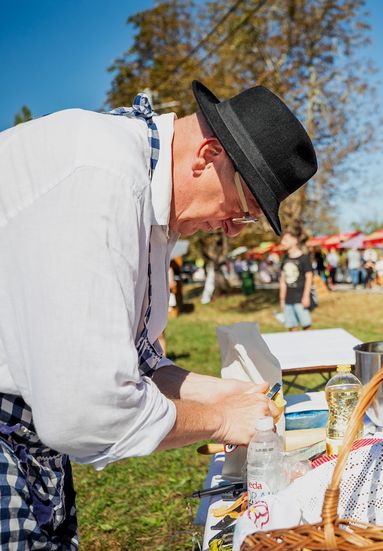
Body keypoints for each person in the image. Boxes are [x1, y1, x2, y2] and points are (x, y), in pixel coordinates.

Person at [0, 81, 317, 548]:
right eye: (243, 208)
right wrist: (222, 421)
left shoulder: (146, 198)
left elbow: (142, 361)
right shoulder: (102, 177)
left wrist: (227, 394)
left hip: (29, 445)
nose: (231, 229)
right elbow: (84, 412)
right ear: (208, 155)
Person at [278, 229, 314, 331]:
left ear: (295, 240)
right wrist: (282, 300)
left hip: (300, 298)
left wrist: (306, 296)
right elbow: (283, 280)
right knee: (291, 327)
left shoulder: (304, 258)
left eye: (285, 240)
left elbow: (309, 277)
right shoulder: (284, 259)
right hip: (288, 299)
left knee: (306, 326)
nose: (282, 242)